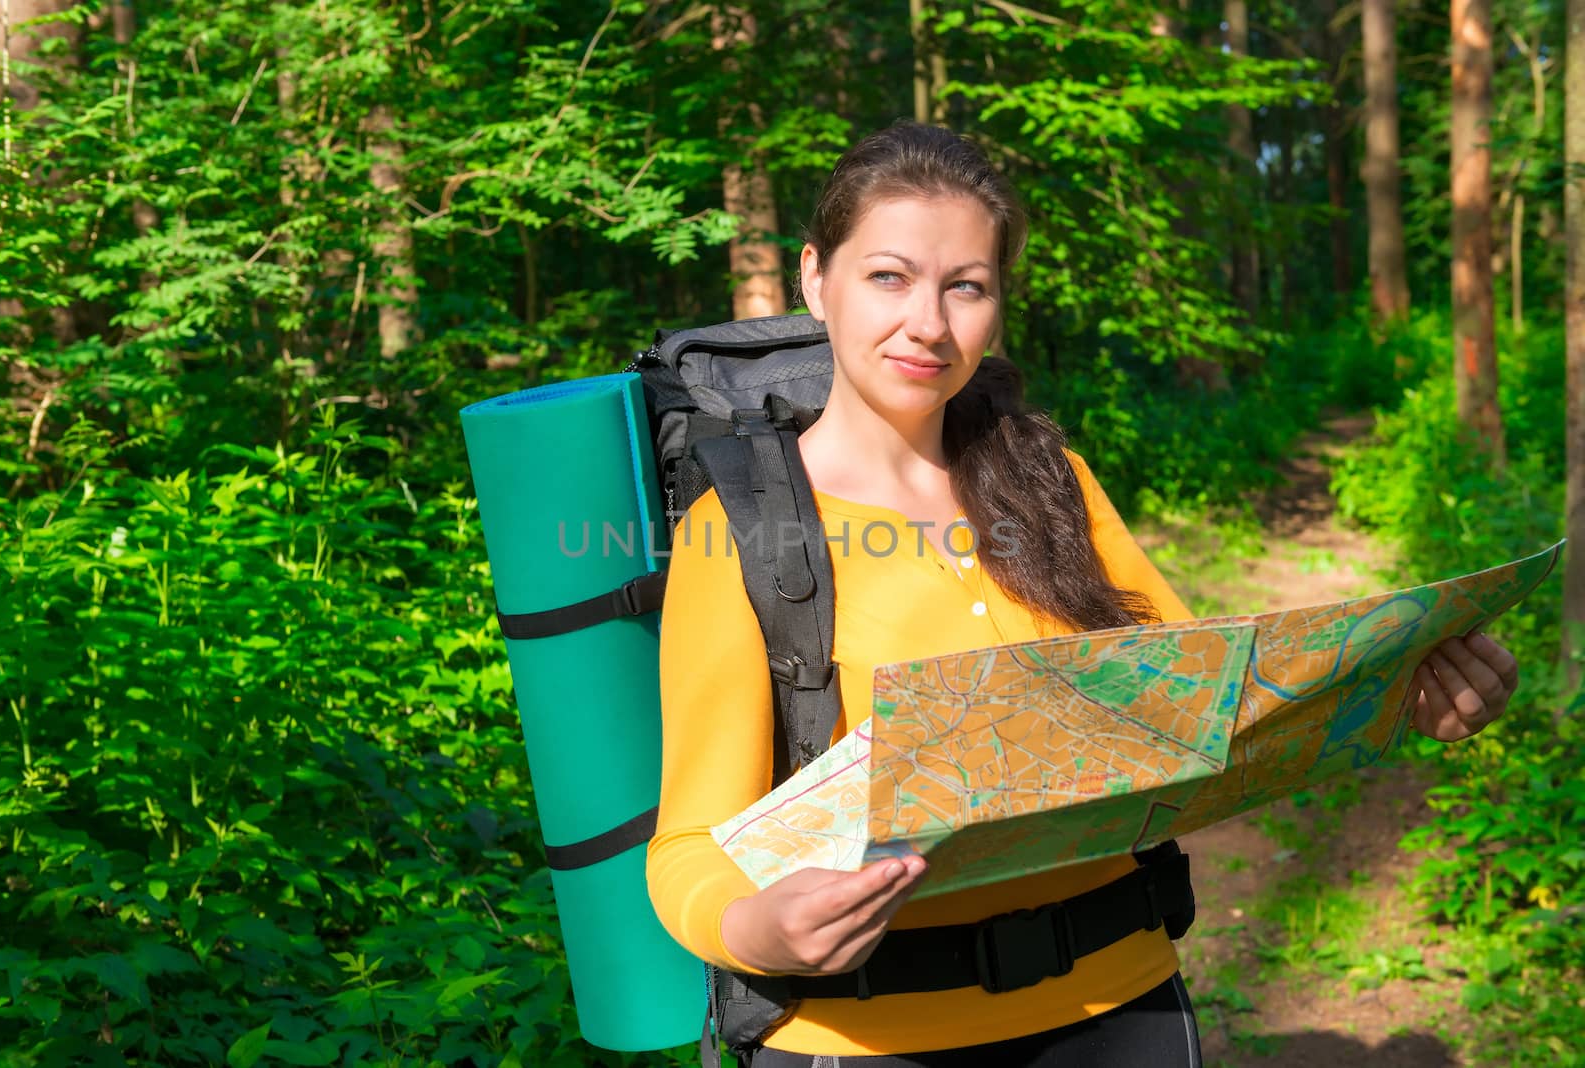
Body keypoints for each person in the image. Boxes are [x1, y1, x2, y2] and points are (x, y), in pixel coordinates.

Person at [646, 123, 1519, 1067]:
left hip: (1124, 1002)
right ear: (817, 279)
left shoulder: (1049, 477)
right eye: (889, 277)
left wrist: (1405, 694)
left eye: (967, 287)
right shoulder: (744, 530)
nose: (929, 324)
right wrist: (757, 933)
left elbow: (1214, 712)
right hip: (863, 1038)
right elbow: (687, 846)